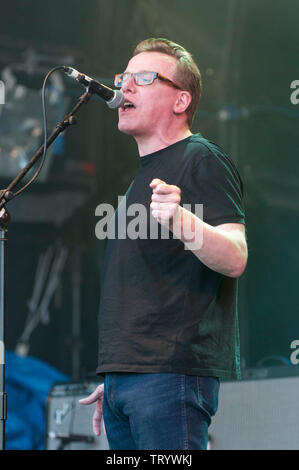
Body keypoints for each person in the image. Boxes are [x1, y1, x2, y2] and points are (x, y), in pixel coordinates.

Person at [79, 38, 248, 450]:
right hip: (127, 381)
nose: (126, 87)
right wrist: (120, 375)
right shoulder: (139, 176)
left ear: (180, 100)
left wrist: (180, 219)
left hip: (170, 376)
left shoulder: (201, 159)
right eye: (124, 77)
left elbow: (235, 256)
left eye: (144, 77)